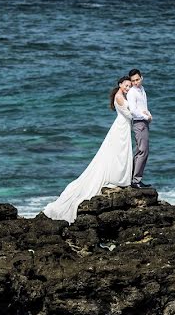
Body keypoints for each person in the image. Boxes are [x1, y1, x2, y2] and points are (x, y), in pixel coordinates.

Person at [43, 76, 134, 223]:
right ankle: (117, 177)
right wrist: (142, 115)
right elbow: (129, 114)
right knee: (118, 153)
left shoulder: (121, 95)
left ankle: (119, 176)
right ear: (120, 85)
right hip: (121, 127)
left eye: (130, 86)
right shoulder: (119, 97)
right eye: (126, 85)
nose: (128, 88)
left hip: (123, 127)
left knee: (119, 153)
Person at [127, 68, 153, 188]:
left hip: (144, 121)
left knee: (139, 151)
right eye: (133, 81)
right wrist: (145, 117)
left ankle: (134, 179)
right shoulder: (132, 92)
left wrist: (148, 114)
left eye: (137, 79)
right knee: (143, 151)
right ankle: (136, 180)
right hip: (139, 123)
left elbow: (143, 106)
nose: (136, 82)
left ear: (141, 78)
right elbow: (133, 111)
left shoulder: (142, 89)